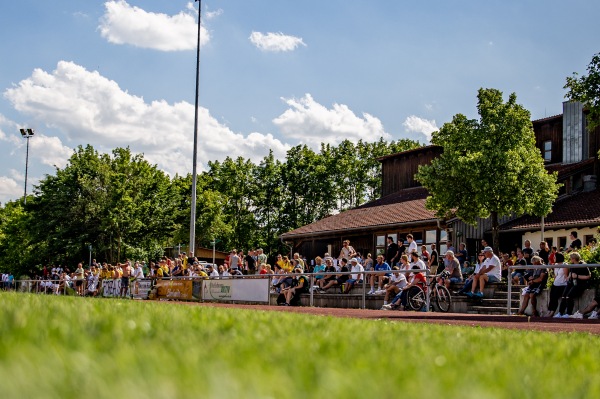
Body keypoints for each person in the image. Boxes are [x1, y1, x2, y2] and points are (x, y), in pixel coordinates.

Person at [557, 252, 591, 318]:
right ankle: (560, 313)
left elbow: (588, 276)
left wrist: (577, 276)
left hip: (580, 284)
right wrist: (569, 277)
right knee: (564, 296)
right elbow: (571, 274)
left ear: (574, 259)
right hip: (571, 283)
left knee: (569, 296)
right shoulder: (572, 265)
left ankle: (569, 313)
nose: (570, 260)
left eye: (571, 258)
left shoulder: (583, 265)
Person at [546, 253, 569, 318]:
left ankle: (552, 312)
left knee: (555, 297)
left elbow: (565, 276)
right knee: (551, 297)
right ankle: (549, 310)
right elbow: (555, 276)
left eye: (555, 257)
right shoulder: (555, 265)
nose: (554, 258)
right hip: (555, 283)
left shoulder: (564, 265)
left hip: (562, 284)